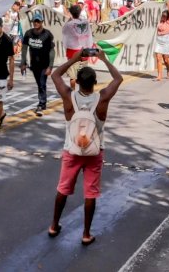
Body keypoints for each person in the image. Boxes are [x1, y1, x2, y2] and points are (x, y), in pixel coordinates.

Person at [47, 49, 123, 246]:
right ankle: (86, 233)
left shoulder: (68, 96)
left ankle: (54, 225)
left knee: (63, 189)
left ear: (78, 82)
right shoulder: (102, 98)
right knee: (90, 193)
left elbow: (55, 75)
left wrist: (73, 59)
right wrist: (104, 59)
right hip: (94, 151)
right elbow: (118, 78)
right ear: (95, 82)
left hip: (71, 150)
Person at [21, 12, 55, 116]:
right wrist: (23, 62)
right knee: (39, 83)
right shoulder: (28, 34)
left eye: (38, 21)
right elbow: (24, 48)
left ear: (42, 22)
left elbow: (52, 51)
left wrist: (50, 66)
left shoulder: (47, 34)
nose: (36, 23)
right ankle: (43, 102)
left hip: (44, 65)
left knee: (41, 83)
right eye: (34, 21)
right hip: (34, 64)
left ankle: (41, 104)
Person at [62, 5, 94, 91]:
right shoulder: (85, 22)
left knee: (73, 77)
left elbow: (64, 32)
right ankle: (82, 92)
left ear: (71, 13)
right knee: (84, 75)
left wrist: (69, 20)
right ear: (80, 13)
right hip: (84, 52)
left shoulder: (69, 25)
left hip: (73, 53)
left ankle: (72, 93)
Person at [154, 0, 169, 81]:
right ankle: (159, 75)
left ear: (167, 17)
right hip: (159, 39)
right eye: (162, 16)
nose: (163, 17)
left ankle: (168, 69)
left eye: (164, 16)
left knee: (165, 59)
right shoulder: (159, 21)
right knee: (158, 58)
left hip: (166, 39)